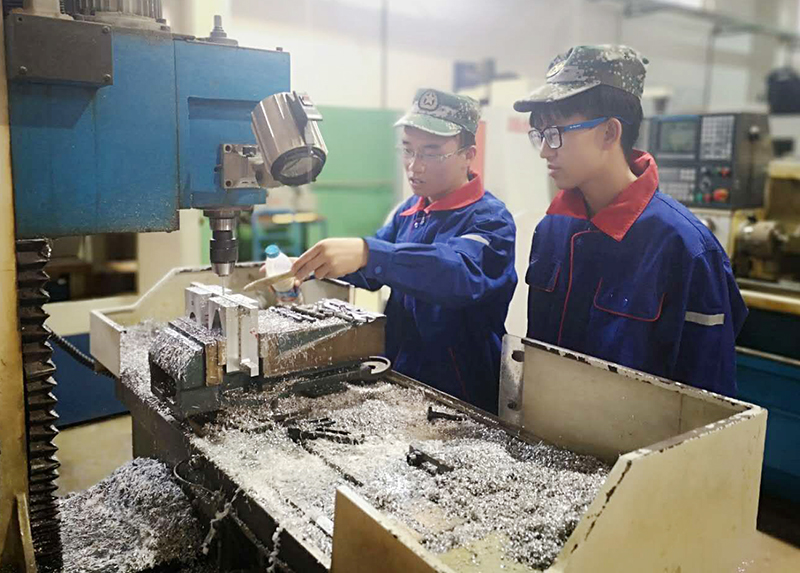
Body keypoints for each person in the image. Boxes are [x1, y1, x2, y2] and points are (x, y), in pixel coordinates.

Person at [514, 45, 746, 396]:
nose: (546, 151)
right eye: (540, 135)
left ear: (609, 132)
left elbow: (708, 400)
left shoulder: (686, 249)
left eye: (556, 133)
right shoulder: (553, 230)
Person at [290, 88, 517, 413]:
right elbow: (371, 272)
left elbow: (457, 273)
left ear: (468, 154)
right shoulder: (409, 211)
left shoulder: (491, 220)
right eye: (407, 150)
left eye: (431, 153)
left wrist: (370, 253)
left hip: (463, 395)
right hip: (403, 380)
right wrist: (311, 266)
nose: (414, 166)